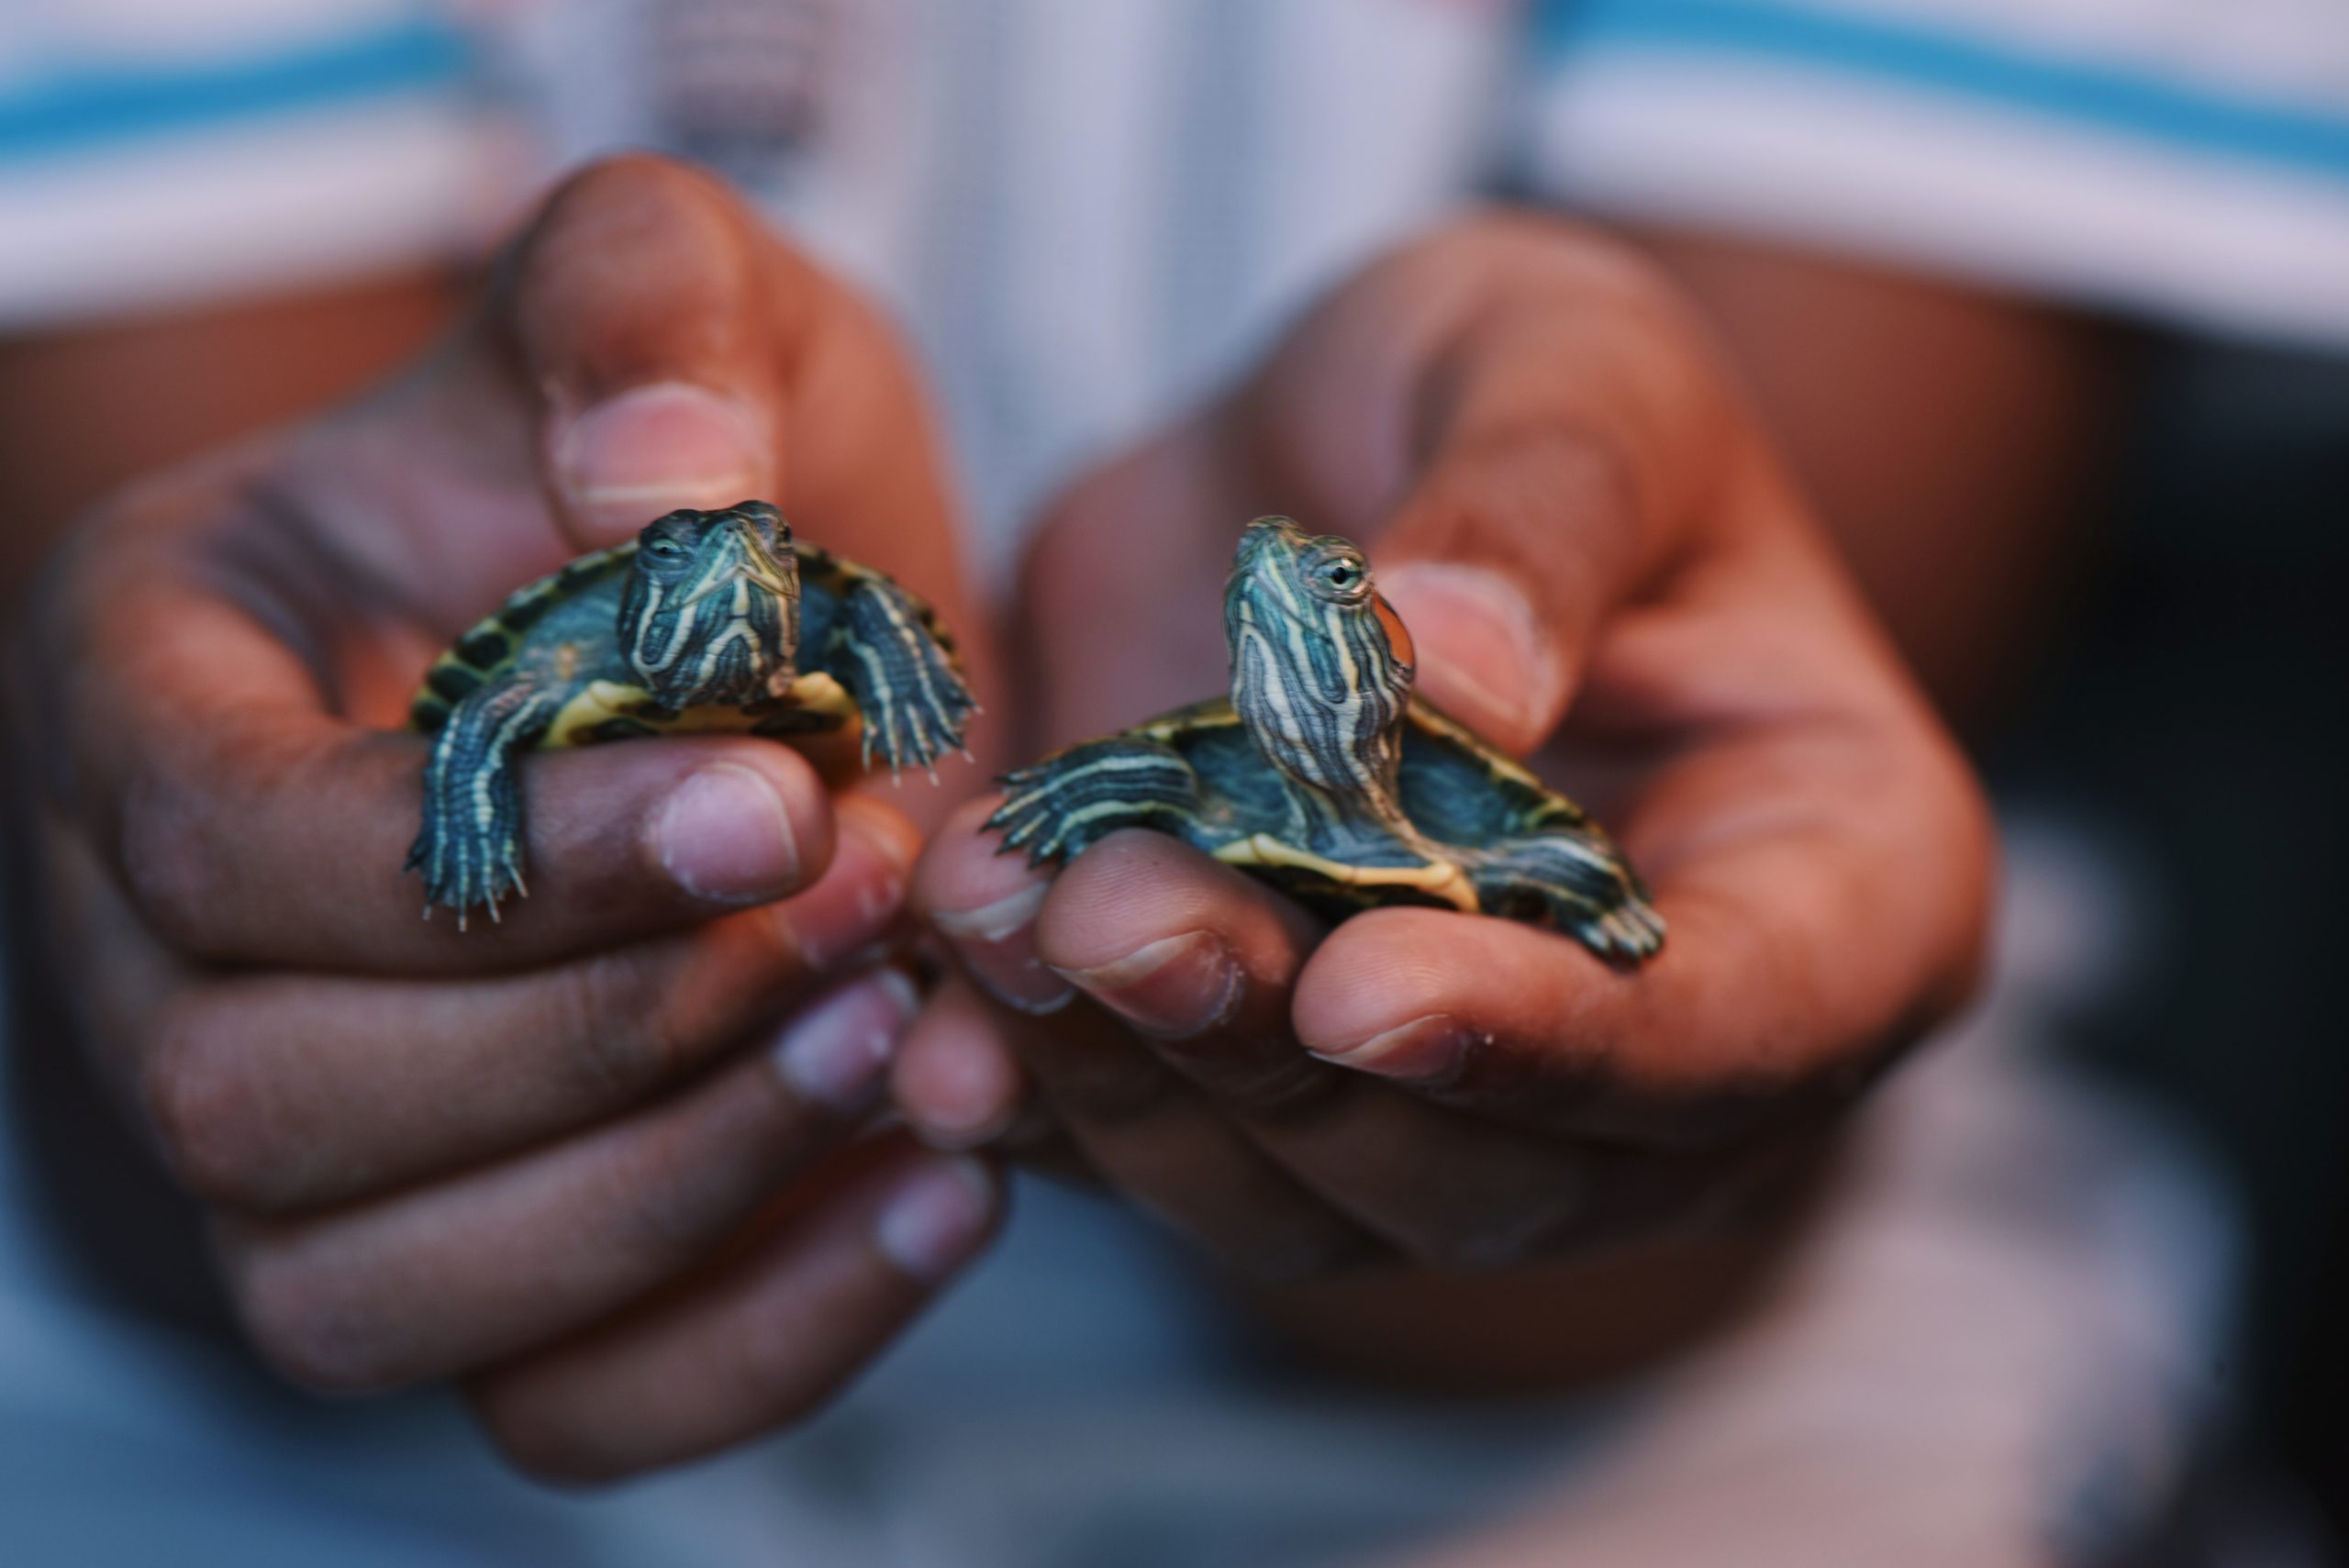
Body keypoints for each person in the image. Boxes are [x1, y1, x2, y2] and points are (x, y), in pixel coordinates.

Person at [4, 1, 2341, 1561]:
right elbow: (207, 813)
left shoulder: (1320, 779)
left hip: (1715, 1459)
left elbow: (1637, 903)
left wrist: (1602, 978)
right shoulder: (1059, 725)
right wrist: (271, 922)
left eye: (1313, 618)